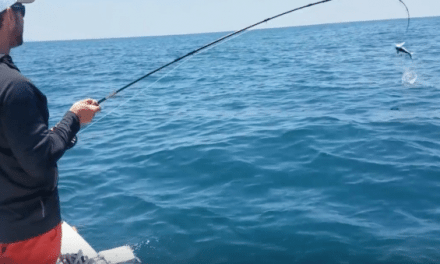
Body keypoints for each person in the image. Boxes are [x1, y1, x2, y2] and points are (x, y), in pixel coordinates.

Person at [0, 0, 101, 263]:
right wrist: (74, 119)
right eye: (21, 8)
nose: (23, 17)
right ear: (9, 14)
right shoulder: (14, 87)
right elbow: (40, 160)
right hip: (23, 236)